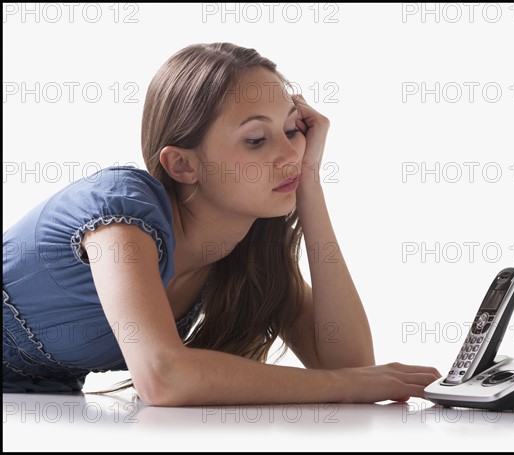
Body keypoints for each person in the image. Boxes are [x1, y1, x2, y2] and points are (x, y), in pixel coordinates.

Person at [2, 42, 441, 405]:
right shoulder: (120, 214)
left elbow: (351, 363)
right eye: (255, 139)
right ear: (182, 165)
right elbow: (163, 376)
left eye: (292, 129)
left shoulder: (239, 251)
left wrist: (310, 188)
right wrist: (349, 386)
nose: (290, 154)